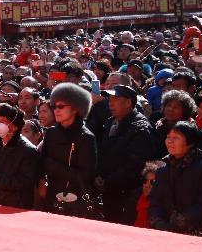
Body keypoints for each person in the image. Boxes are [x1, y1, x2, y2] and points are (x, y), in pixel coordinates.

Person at [149, 121, 202, 235]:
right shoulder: (162, 170)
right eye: (168, 137)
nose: (170, 141)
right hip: (166, 231)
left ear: (190, 143)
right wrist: (159, 223)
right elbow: (155, 201)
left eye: (176, 137)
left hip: (198, 232)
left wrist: (180, 223)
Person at [95, 85, 155, 224]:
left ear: (128, 102)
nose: (110, 103)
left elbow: (135, 165)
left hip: (128, 194)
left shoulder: (140, 128)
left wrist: (108, 181)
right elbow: (104, 152)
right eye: (110, 99)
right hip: (110, 190)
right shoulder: (111, 121)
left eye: (115, 99)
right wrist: (99, 175)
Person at [41, 84, 98, 217]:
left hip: (76, 201)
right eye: (54, 106)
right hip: (51, 196)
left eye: (61, 106)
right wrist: (41, 180)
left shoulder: (86, 137)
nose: (56, 110)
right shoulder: (51, 133)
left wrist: (52, 166)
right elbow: (42, 163)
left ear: (75, 108)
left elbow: (85, 175)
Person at [0, 103, 40, 209]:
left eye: (3, 121)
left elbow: (25, 182)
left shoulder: (28, 151)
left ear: (15, 126)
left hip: (16, 206)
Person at [134, 161, 164, 228]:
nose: (147, 185)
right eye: (145, 180)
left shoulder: (164, 204)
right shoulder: (136, 198)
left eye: (152, 182)